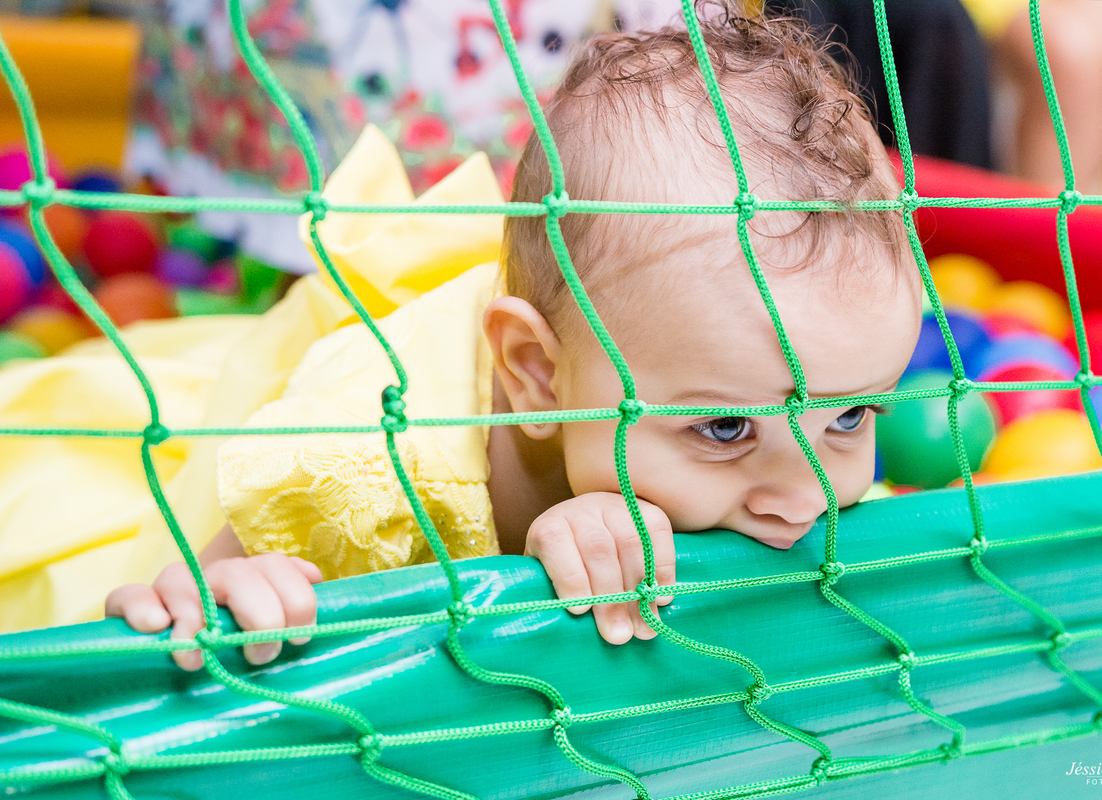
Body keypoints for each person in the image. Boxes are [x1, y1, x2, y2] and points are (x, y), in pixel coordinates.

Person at [105, 4, 921, 668]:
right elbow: (203, 585)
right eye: (724, 428)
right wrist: (231, 591)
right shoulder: (371, 452)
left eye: (849, 420)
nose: (804, 500)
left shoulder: (729, 399)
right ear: (534, 375)